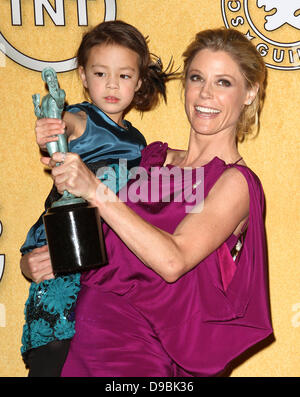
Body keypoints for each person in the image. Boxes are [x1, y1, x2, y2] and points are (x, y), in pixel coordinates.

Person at [41, 28, 273, 377]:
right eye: (196, 78)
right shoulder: (150, 158)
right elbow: (97, 237)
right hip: (79, 339)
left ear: (249, 93)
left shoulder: (236, 183)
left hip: (143, 352)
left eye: (223, 82)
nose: (205, 94)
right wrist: (44, 260)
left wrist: (94, 190)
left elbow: (172, 259)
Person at [20, 20, 174, 377]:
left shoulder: (138, 140)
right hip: (62, 248)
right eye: (101, 73)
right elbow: (65, 123)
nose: (111, 85)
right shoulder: (85, 119)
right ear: (84, 76)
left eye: (123, 75)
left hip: (99, 264)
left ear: (138, 81)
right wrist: (52, 123)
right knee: (53, 348)